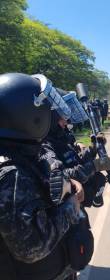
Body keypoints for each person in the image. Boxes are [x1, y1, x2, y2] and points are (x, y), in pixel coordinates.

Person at [0, 73, 81, 280]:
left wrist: (68, 182)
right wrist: (71, 207)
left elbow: (39, 177)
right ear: (29, 114)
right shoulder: (11, 174)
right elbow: (32, 248)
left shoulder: (19, 150)